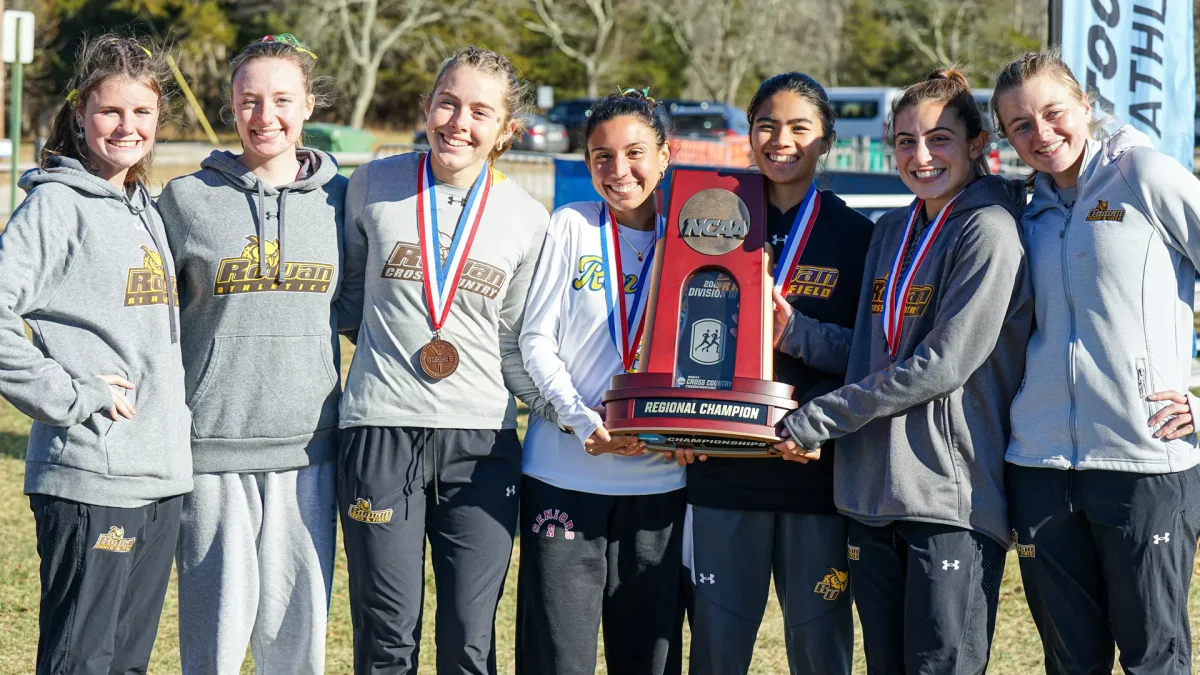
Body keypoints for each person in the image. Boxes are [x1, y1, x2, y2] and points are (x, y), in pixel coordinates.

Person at [772, 69, 1033, 674]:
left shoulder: (989, 231)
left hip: (947, 493)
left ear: (977, 145)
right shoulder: (892, 229)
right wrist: (794, 331)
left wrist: (818, 419)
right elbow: (870, 350)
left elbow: (942, 365)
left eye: (940, 139)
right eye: (906, 141)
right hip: (870, 490)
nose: (921, 156)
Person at [336, 45, 557, 674]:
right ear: (427, 105)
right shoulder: (372, 185)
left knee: (468, 638)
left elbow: (513, 340)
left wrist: (565, 411)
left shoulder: (526, 218)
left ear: (505, 130)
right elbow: (348, 300)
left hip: (481, 443)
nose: (459, 122)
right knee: (387, 634)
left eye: (480, 111)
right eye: (448, 102)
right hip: (380, 430)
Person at [993, 51, 1200, 675]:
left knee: (1153, 658)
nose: (1042, 134)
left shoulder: (1145, 174)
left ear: (1086, 106)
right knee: (1069, 661)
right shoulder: (1024, 210)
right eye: (1020, 126)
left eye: (1054, 113)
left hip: (1142, 459)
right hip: (1039, 464)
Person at [157, 34, 348, 675]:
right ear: (230, 108)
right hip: (213, 449)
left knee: (297, 644)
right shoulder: (186, 199)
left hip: (309, 451)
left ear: (309, 106)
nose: (265, 116)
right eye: (249, 100)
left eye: (282, 99)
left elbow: (363, 311)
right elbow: (149, 314)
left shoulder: (340, 200)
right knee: (213, 645)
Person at [0, 35, 191, 673]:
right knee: (83, 660)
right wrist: (74, 395)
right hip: (91, 474)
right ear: (81, 113)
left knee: (126, 663)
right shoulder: (56, 205)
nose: (127, 127)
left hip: (158, 477)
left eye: (142, 113)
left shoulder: (144, 207)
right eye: (111, 111)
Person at [683, 72, 873, 675]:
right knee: (716, 647)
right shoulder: (712, 219)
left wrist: (808, 418)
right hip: (723, 466)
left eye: (799, 126)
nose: (780, 139)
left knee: (820, 650)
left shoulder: (857, 236)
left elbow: (868, 357)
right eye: (766, 124)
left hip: (812, 473)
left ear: (827, 140)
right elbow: (675, 331)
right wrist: (679, 420)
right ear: (749, 134)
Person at [516, 89, 685, 675]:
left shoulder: (693, 239)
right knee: (558, 655)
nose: (619, 171)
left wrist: (697, 430)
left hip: (660, 479)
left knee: (649, 656)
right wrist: (582, 421)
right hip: (564, 471)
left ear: (667, 154)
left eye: (635, 153)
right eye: (601, 157)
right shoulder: (571, 225)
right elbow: (535, 339)